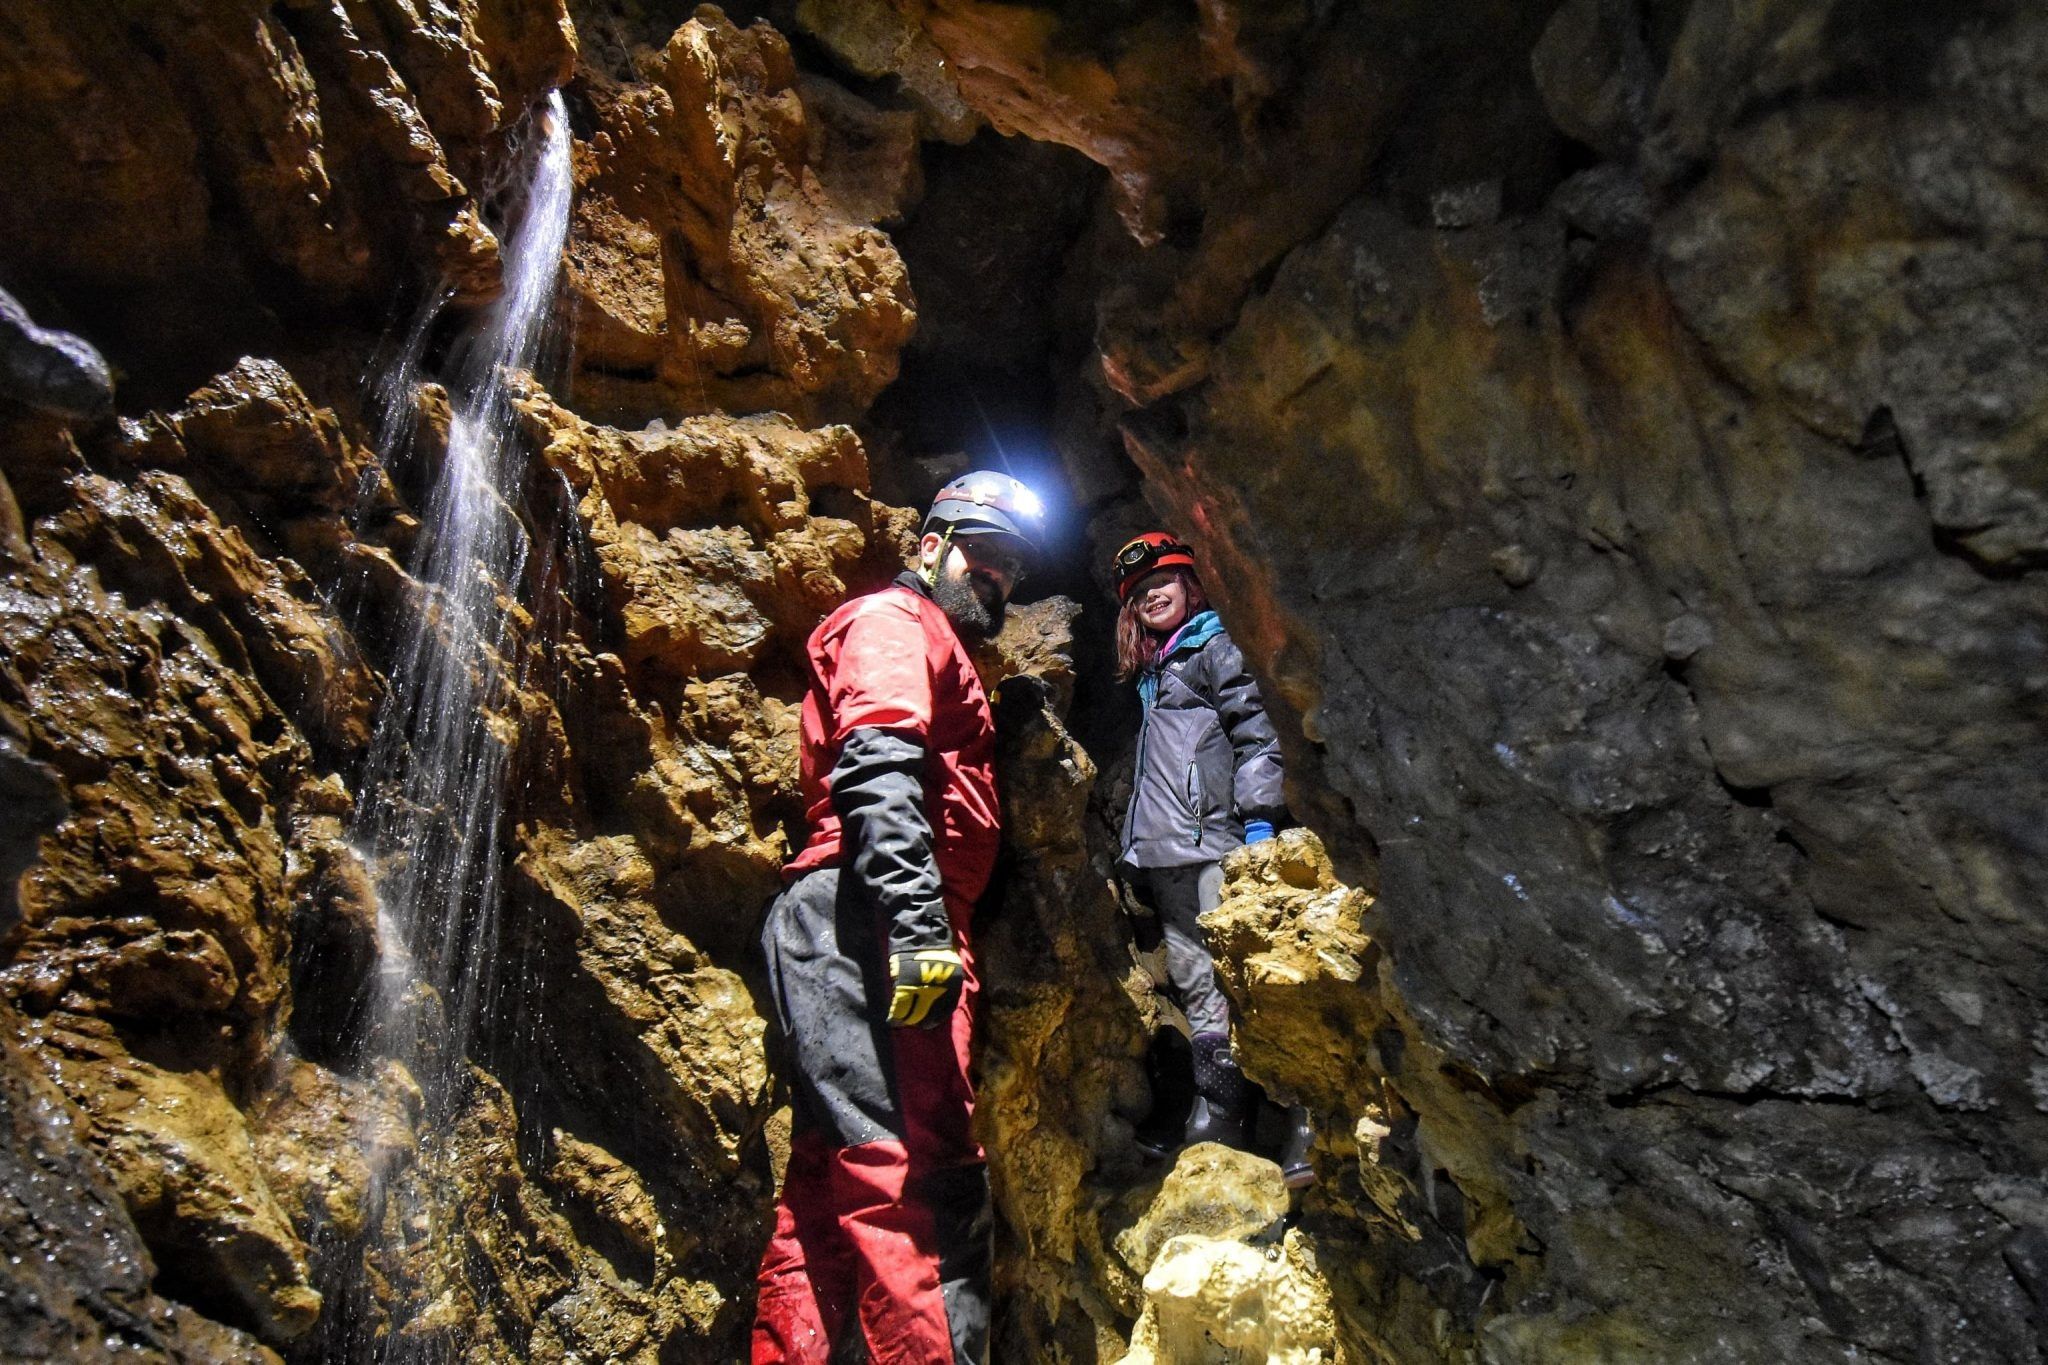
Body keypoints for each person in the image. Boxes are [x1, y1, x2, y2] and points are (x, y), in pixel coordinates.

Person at [752, 470, 1045, 1365]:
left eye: (1008, 568)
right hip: (872, 914)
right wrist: (918, 927)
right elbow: (878, 763)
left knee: (832, 1175)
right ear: (930, 546)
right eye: (982, 555)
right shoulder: (895, 620)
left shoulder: (927, 638)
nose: (995, 576)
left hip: (853, 913)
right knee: (920, 1173)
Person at [1110, 531, 1315, 1189]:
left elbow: (1258, 736)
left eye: (1161, 582)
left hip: (1216, 842)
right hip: (1167, 852)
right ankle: (1222, 1114)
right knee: (1200, 985)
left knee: (1252, 979)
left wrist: (1260, 822)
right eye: (1139, 593)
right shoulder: (1157, 673)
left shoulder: (1213, 647)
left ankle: (1306, 1121)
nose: (1151, 596)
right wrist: (1134, 855)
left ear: (1189, 582)